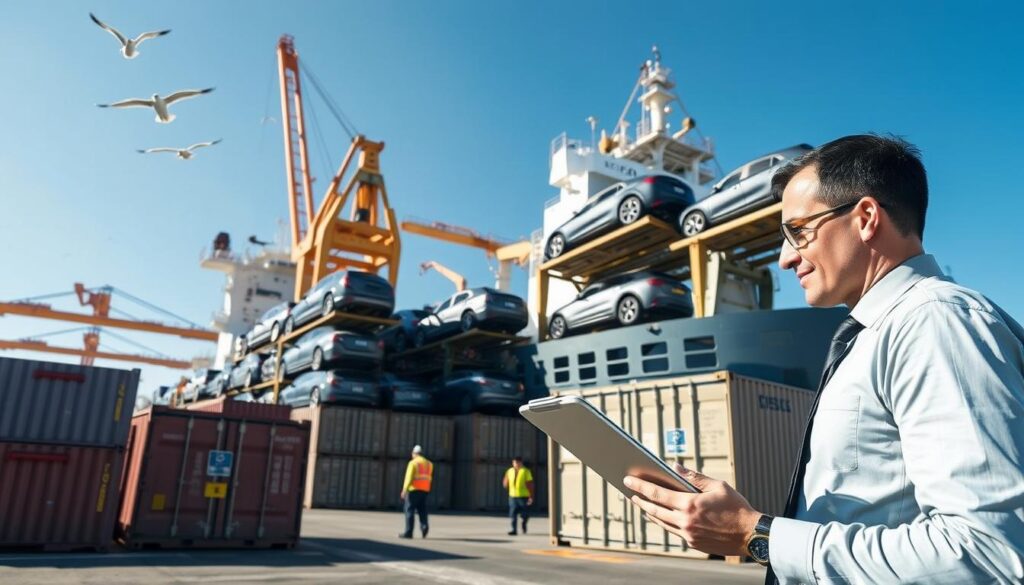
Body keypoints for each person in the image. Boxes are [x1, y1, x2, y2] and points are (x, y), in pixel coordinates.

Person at [622, 134, 1024, 584]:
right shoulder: (878, 335)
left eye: (798, 231)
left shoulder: (936, 324)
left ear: (867, 218)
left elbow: (988, 554)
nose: (784, 258)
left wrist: (754, 534)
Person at [399, 444, 432, 539]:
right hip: (425, 490)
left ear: (414, 453)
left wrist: (404, 490)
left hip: (413, 490)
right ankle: (424, 527)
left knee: (409, 510)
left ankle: (408, 532)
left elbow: (408, 478)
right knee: (422, 510)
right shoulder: (429, 464)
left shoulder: (413, 463)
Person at [502, 456, 534, 535]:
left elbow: (530, 484)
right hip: (513, 496)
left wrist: (531, 496)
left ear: (521, 463)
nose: (516, 464)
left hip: (523, 496)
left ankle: (524, 523)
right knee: (513, 513)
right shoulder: (510, 471)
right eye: (514, 462)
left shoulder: (526, 471)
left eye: (517, 462)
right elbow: (506, 480)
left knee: (525, 513)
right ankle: (514, 530)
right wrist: (505, 484)